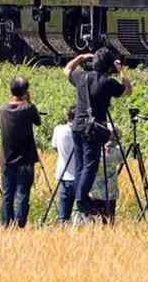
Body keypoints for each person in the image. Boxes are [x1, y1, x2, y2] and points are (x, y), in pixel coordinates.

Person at [63, 47, 132, 222]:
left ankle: (80, 197)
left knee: (79, 165)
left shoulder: (82, 77)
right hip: (93, 130)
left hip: (77, 127)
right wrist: (121, 70)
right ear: (109, 65)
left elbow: (67, 70)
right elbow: (127, 90)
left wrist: (80, 57)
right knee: (90, 166)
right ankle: (82, 200)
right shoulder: (107, 82)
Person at [0, 76, 41, 228]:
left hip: (7, 158)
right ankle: (19, 225)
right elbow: (38, 121)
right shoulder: (28, 108)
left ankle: (5, 224)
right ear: (26, 91)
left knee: (7, 194)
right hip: (25, 158)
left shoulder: (1, 110)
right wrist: (29, 101)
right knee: (22, 193)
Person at [88, 124, 122, 224]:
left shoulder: (95, 150)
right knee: (109, 220)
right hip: (110, 192)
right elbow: (121, 158)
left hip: (94, 190)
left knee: (94, 220)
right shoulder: (117, 152)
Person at [51, 107, 78, 223]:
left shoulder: (59, 129)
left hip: (63, 175)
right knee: (82, 214)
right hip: (80, 177)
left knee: (63, 215)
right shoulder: (83, 131)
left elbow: (55, 147)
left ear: (67, 117)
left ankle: (62, 231)